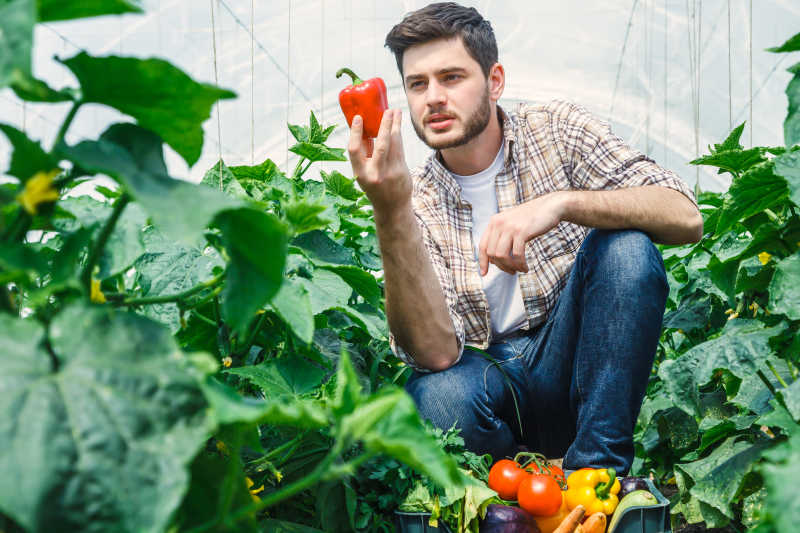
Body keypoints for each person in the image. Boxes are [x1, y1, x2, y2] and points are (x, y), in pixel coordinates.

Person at [345, 2, 702, 474]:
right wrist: (390, 208)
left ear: (494, 81)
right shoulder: (415, 199)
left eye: (451, 77)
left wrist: (561, 204)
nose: (432, 97)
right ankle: (516, 492)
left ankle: (596, 477)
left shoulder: (556, 130)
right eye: (417, 83)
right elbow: (434, 355)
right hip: (493, 387)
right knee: (437, 396)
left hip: (571, 362)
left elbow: (684, 215)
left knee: (626, 250)